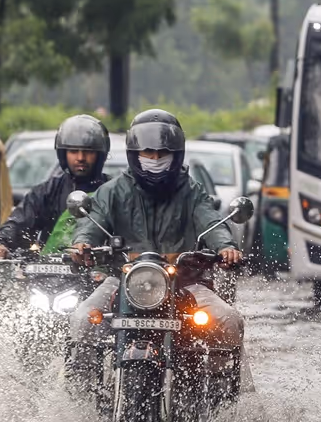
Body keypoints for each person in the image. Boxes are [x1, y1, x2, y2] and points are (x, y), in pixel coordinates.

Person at [67, 109, 245, 383]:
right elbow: (92, 222)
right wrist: (82, 245)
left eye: (163, 154)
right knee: (82, 319)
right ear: (134, 153)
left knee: (228, 320)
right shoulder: (112, 191)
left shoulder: (192, 191)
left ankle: (221, 400)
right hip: (122, 279)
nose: (154, 159)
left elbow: (211, 220)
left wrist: (226, 248)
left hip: (185, 282)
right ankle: (82, 393)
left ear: (176, 155)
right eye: (147, 153)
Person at [0, 115, 110, 260]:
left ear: (100, 155)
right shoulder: (47, 191)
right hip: (48, 273)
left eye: (88, 151)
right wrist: (1, 243)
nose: (80, 157)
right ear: (63, 154)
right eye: (73, 151)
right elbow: (19, 222)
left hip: (101, 274)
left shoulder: (112, 192)